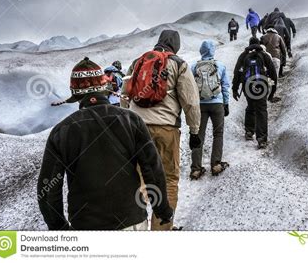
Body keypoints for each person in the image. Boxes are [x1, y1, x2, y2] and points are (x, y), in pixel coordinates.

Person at [38, 57, 173, 230]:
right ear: (104, 88)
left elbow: (48, 189)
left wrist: (59, 227)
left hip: (86, 225)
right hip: (132, 220)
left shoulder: (62, 131)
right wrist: (162, 209)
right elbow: (152, 169)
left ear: (77, 95)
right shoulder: (131, 120)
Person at [121, 29, 201, 231]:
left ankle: (136, 227)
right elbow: (191, 101)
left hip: (137, 129)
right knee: (168, 179)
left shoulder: (139, 61)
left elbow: (124, 95)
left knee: (137, 178)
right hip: (167, 129)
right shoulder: (179, 64)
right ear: (176, 45)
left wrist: (128, 121)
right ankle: (161, 229)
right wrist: (194, 131)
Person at [190, 40, 230, 179]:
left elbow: (189, 87)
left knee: (198, 135)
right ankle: (216, 164)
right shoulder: (220, 65)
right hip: (217, 104)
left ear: (201, 51)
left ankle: (196, 169)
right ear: (213, 51)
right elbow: (225, 86)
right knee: (218, 134)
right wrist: (226, 103)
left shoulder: (194, 67)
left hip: (200, 105)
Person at [232, 37, 277, 149]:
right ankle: (261, 139)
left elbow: (237, 72)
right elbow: (273, 73)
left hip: (248, 86)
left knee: (250, 107)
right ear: (259, 44)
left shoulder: (243, 56)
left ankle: (249, 131)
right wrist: (272, 91)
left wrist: (235, 89)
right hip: (261, 86)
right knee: (261, 110)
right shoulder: (264, 55)